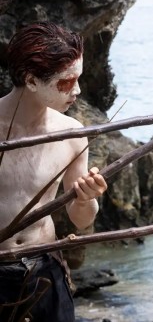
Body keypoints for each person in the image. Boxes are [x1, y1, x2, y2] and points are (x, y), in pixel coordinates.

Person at [0, 22, 107, 322]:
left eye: (78, 79)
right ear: (31, 80)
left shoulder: (71, 134)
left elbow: (81, 220)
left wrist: (86, 198)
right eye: (66, 82)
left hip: (45, 271)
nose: (77, 90)